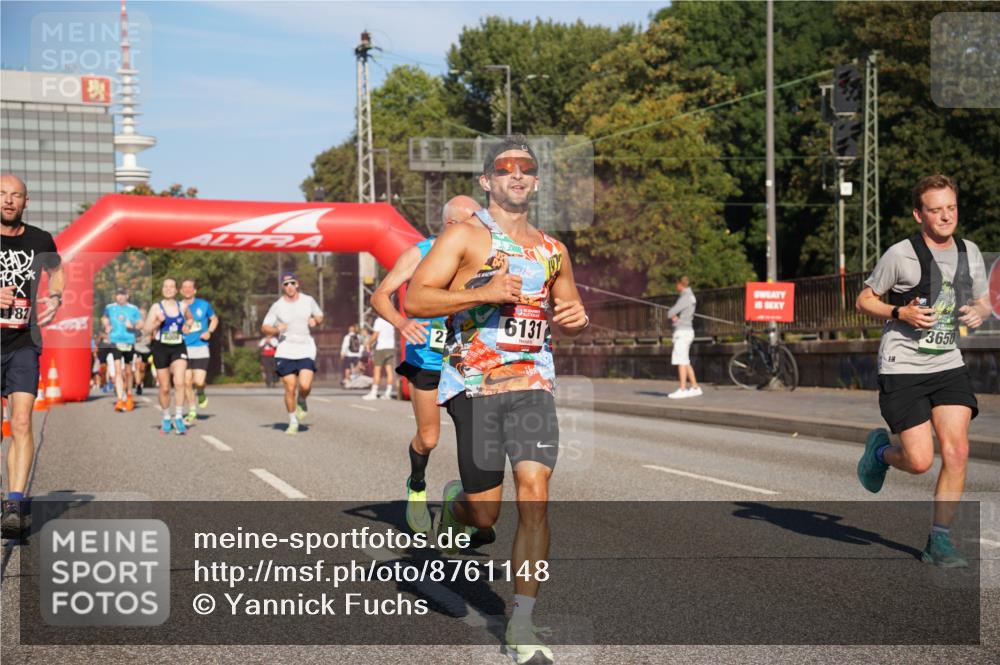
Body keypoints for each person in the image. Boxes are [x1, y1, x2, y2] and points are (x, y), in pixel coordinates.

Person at [407, 137, 590, 664]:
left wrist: (577, 320)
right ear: (486, 181)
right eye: (505, 169)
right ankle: (457, 505)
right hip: (474, 385)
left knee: (535, 493)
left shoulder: (553, 250)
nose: (517, 176)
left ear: (535, 181)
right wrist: (482, 294)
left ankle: (522, 622)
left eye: (526, 169)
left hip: (533, 382)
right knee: (485, 514)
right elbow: (418, 298)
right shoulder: (466, 237)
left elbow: (569, 307)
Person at [855, 174, 990, 568]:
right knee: (919, 461)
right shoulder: (900, 255)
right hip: (903, 367)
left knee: (958, 450)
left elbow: (983, 301)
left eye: (951, 207)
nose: (946, 216)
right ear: (919, 214)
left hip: (948, 364)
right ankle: (880, 452)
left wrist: (978, 312)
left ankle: (939, 541)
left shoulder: (970, 251)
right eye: (936, 210)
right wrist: (901, 311)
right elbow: (865, 300)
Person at [370, 195, 481, 533]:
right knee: (429, 438)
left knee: (475, 444)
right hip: (428, 361)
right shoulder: (420, 252)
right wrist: (401, 323)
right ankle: (417, 485)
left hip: (466, 362)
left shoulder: (483, 252)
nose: (481, 227)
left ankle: (463, 506)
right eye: (473, 221)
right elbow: (380, 295)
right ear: (452, 225)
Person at [1, 174, 64, 538]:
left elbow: (58, 271)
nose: (9, 201)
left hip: (24, 342)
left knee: (21, 421)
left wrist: (56, 296)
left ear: (26, 202)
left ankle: (14, 503)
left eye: (16, 196)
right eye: (3, 195)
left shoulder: (40, 239)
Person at [261, 272, 323, 435]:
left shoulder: (308, 300)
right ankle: (293, 421)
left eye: (292, 283)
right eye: (286, 284)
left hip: (305, 347)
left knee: (305, 385)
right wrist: (276, 329)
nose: (289, 286)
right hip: (286, 349)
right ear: (282, 287)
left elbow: (320, 315)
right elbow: (265, 327)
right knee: (290, 387)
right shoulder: (277, 305)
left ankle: (302, 399)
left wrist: (315, 320)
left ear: (297, 284)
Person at [144, 278, 194, 435]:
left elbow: (190, 318)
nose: (168, 289)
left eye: (171, 286)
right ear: (162, 289)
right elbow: (145, 330)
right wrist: (157, 323)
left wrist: (187, 325)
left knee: (179, 382)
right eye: (165, 286)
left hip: (178, 347)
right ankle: (166, 417)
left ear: (176, 290)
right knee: (165, 388)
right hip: (160, 348)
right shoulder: (156, 308)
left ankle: (178, 417)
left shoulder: (183, 306)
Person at [180, 279, 218, 425]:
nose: (188, 289)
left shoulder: (204, 305)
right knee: (186, 382)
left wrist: (209, 331)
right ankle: (192, 410)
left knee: (199, 381)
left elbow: (214, 319)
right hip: (183, 348)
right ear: (181, 290)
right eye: (185, 287)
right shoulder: (178, 307)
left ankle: (201, 392)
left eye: (190, 287)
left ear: (194, 290)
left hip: (201, 346)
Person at [101, 286, 143, 412]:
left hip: (129, 341)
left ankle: (129, 395)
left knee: (129, 371)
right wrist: (106, 325)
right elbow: (104, 318)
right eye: (118, 294)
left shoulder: (133, 309)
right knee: (118, 370)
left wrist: (134, 325)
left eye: (122, 294)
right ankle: (120, 399)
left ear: (127, 295)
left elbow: (141, 323)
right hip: (115, 341)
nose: (120, 297)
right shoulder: (110, 307)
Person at [666, 275, 702, 398]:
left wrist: (674, 317)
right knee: (685, 361)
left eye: (676, 285)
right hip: (688, 331)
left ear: (680, 285)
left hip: (682, 331)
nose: (676, 287)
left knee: (681, 360)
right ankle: (695, 387)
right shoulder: (690, 296)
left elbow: (671, 312)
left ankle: (682, 389)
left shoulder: (685, 297)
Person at [363, 314, 396, 400]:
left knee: (377, 370)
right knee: (389, 370)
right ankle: (388, 393)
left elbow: (375, 334)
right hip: (390, 347)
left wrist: (368, 343)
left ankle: (374, 393)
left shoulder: (379, 321)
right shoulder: (391, 320)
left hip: (381, 348)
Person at [133, 321, 151, 395]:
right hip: (136, 349)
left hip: (146, 350)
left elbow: (150, 339)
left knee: (142, 369)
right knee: (137, 366)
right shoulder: (134, 328)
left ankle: (140, 383)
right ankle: (138, 385)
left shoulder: (148, 328)